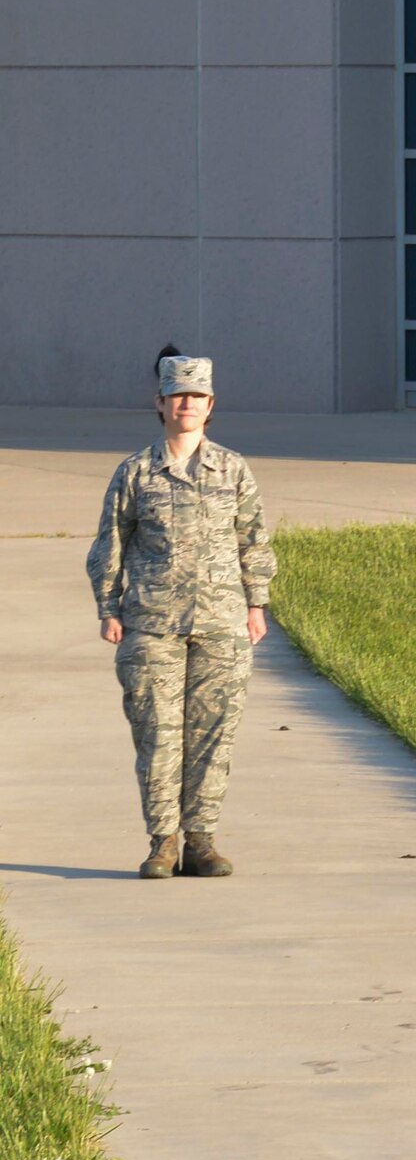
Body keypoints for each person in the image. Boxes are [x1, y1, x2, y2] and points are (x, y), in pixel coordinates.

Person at [87, 348, 275, 879]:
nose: (186, 404)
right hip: (151, 624)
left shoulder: (233, 468)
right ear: (161, 403)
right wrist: (108, 606)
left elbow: (253, 540)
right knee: (158, 735)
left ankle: (202, 841)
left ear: (210, 404)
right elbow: (111, 543)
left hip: (222, 623)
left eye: (196, 396)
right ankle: (163, 842)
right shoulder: (135, 472)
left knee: (214, 735)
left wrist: (256, 602)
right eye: (178, 396)